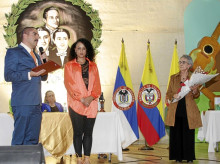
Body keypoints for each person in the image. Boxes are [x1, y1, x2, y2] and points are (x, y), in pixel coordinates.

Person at [4, 27, 48, 145]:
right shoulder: (13, 52)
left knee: (33, 139)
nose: (37, 37)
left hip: (36, 103)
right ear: (25, 35)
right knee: (20, 138)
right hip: (22, 102)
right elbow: (8, 75)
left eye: (38, 35)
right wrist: (29, 74)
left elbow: (43, 77)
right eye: (35, 34)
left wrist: (45, 63)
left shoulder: (37, 56)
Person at [64, 38, 101, 164]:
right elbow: (69, 84)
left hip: (91, 104)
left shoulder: (93, 66)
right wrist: (81, 99)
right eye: (78, 48)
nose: (81, 51)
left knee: (89, 133)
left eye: (83, 48)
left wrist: (91, 98)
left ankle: (87, 158)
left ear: (87, 51)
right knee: (78, 132)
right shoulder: (69, 66)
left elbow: (97, 85)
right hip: (76, 104)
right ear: (74, 49)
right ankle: (79, 158)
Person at [165, 54, 202, 163]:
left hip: (189, 110)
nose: (180, 64)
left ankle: (189, 157)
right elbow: (168, 93)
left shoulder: (193, 77)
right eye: (180, 62)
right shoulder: (173, 77)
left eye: (183, 62)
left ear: (189, 65)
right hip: (175, 109)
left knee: (188, 134)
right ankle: (178, 157)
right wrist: (173, 96)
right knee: (176, 134)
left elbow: (197, 95)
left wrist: (195, 91)